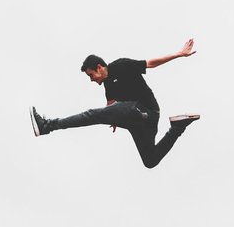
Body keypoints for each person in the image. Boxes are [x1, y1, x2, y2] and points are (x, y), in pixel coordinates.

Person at [31, 40, 201, 168]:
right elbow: (110, 106)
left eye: (91, 75)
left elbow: (151, 63)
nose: (92, 80)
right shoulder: (108, 86)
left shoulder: (121, 65)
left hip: (148, 111)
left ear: (99, 68)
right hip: (139, 123)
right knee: (150, 160)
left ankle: (47, 126)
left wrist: (179, 54)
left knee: (92, 114)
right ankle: (178, 127)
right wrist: (113, 118)